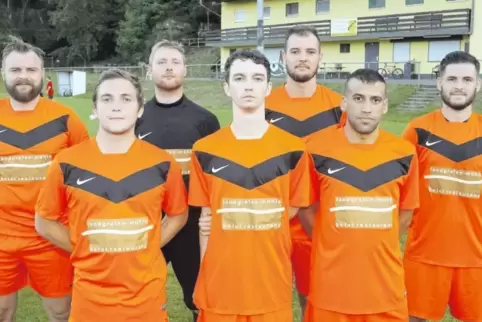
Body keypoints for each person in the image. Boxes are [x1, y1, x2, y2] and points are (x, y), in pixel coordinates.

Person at [35, 69, 189, 322]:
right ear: (94, 108)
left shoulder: (162, 163)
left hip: (146, 297)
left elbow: (178, 215)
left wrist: (145, 246)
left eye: (126, 99)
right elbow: (44, 222)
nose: (116, 106)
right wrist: (85, 248)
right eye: (107, 99)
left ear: (140, 109)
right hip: (90, 299)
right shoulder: (66, 163)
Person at [189, 49, 315, 322]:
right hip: (220, 283)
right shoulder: (204, 150)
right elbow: (206, 219)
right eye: (240, 78)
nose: (248, 85)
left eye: (257, 78)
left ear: (268, 87)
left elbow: (291, 208)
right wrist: (204, 272)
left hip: (271, 281)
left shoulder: (294, 149)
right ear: (227, 87)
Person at [299, 69, 419, 321]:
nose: (366, 108)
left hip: (385, 288)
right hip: (330, 287)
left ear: (384, 106)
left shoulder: (404, 152)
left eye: (375, 100)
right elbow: (306, 209)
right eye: (358, 98)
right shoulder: (314, 148)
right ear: (344, 102)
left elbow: (406, 213)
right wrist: (333, 240)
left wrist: (376, 239)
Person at [0, 37, 89, 322]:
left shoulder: (65, 118)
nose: (23, 76)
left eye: (31, 69)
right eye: (15, 70)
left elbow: (86, 175)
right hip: (1, 237)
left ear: (43, 74)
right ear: (4, 73)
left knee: (61, 311)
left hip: (51, 236)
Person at [135, 39, 220, 321]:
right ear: (150, 70)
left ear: (185, 69)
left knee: (200, 298)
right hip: (147, 223)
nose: (169, 68)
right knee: (138, 296)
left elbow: (212, 178)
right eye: (161, 62)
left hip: (192, 225)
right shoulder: (135, 118)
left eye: (175, 62)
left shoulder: (206, 120)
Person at [264, 25, 345, 315]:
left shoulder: (339, 106)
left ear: (320, 57)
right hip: (273, 222)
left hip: (319, 223)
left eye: (310, 51)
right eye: (295, 51)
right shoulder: (262, 104)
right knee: (268, 302)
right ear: (283, 56)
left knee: (314, 300)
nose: (302, 58)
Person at [402, 51, 482, 322]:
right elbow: (399, 190)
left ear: (477, 84)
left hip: (476, 258)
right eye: (452, 79)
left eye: (467, 79)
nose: (459, 85)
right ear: (439, 83)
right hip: (425, 254)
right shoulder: (418, 130)